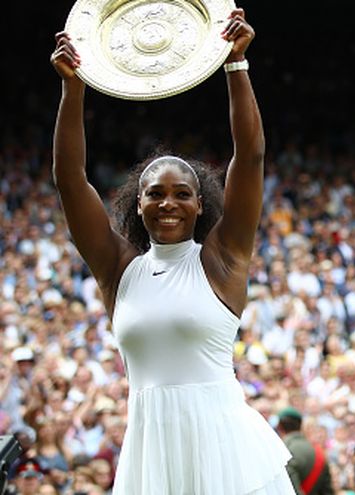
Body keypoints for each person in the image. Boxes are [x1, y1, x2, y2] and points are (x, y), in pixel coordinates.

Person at [50, 9, 295, 495]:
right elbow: (70, 179)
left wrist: (236, 65)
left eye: (182, 193)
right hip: (150, 455)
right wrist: (72, 88)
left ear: (200, 204)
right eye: (155, 194)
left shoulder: (221, 258)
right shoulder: (118, 270)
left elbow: (250, 157)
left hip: (227, 453)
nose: (168, 203)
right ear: (136, 203)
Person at [277, 407, 333, 495]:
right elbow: (327, 491)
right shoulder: (317, 451)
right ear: (300, 426)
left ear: (279, 427)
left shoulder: (283, 451)